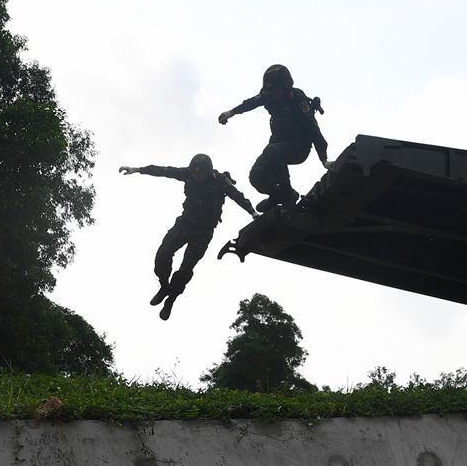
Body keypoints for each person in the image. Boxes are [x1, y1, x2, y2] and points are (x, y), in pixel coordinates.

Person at [119, 154, 257, 320]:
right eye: (194, 174)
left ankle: (171, 299)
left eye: (200, 175)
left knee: (186, 268)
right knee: (163, 254)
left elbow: (237, 196)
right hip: (185, 224)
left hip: (203, 232)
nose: (196, 178)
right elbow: (164, 171)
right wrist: (136, 170)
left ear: (209, 172)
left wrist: (253, 212)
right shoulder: (187, 174)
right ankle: (164, 287)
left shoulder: (219, 181)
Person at [219, 64, 334, 211]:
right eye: (272, 91)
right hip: (277, 145)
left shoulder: (298, 100)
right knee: (256, 176)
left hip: (299, 147)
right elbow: (251, 103)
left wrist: (324, 159)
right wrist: (231, 112)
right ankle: (278, 195)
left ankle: (288, 197)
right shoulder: (269, 95)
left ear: (286, 86)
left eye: (277, 90)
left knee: (270, 152)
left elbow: (313, 129)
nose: (275, 94)